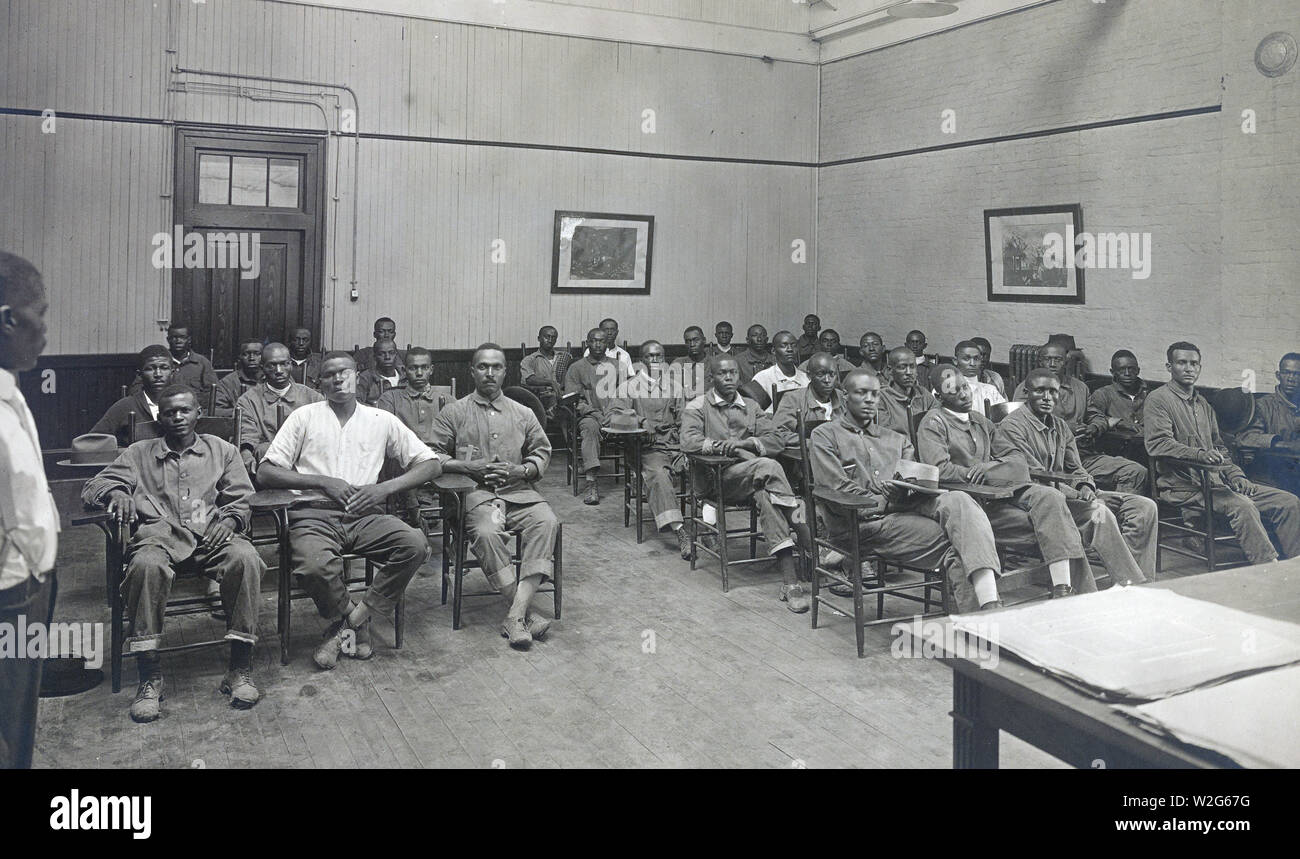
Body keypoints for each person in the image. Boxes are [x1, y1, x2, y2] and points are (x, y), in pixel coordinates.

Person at [82, 385, 266, 721]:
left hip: (211, 537)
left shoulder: (222, 450)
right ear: (160, 417)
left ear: (198, 413)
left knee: (247, 558)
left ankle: (239, 669)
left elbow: (242, 496)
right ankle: (149, 676)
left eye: (184, 410)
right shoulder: (139, 452)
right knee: (144, 565)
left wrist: (231, 517)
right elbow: (93, 485)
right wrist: (117, 492)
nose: (178, 418)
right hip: (159, 539)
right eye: (169, 412)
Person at [257, 352, 443, 669]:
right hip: (312, 513)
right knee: (314, 567)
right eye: (329, 375)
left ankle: (352, 622)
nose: (338, 379)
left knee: (414, 545)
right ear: (319, 383)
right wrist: (322, 482)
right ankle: (355, 622)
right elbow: (265, 473)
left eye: (345, 372)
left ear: (357, 375)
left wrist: (384, 488)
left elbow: (431, 464)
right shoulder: (304, 417)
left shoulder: (380, 419)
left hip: (365, 514)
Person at [809, 369, 1007, 612]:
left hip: (902, 518)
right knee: (963, 544)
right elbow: (835, 487)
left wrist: (905, 491)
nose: (870, 399)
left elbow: (912, 482)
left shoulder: (898, 440)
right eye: (861, 393)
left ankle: (984, 614)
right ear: (845, 396)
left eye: (875, 394)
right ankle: (986, 616)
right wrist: (883, 500)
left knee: (958, 502)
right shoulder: (824, 435)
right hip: (858, 525)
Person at [916, 367, 1102, 597]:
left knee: (1051, 496)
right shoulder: (933, 423)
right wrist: (977, 473)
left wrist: (989, 468)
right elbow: (940, 470)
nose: (964, 395)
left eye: (965, 387)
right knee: (1058, 520)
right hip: (966, 505)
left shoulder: (980, 421)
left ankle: (1062, 588)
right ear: (938, 396)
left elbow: (1016, 458)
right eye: (954, 391)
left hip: (996, 498)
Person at [428, 344, 558, 648]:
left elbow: (542, 452)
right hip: (476, 496)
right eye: (483, 367)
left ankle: (514, 615)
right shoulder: (454, 411)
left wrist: (521, 471)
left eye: (496, 367)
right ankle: (523, 613)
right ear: (472, 371)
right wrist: (465, 466)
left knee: (547, 522)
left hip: (520, 493)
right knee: (486, 533)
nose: (490, 373)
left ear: (505, 371)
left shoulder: (522, 413)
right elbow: (431, 454)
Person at [994, 367, 1157, 583]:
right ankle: (1133, 585)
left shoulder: (1060, 426)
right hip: (1040, 499)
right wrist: (1077, 494)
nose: (1047, 397)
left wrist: (1086, 486)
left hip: (1071, 494)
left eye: (1053, 392)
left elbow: (1076, 468)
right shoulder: (1011, 427)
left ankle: (1134, 579)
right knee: (1100, 513)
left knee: (1144, 507)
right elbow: (1035, 477)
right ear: (1026, 391)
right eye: (1039, 391)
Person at [1145, 342, 1300, 563]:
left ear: (1200, 367)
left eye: (1194, 363)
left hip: (1219, 483)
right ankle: (1268, 567)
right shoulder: (1158, 399)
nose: (1189, 368)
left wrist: (1237, 476)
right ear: (1169, 366)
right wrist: (1199, 454)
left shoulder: (1203, 405)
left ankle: (1296, 565)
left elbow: (1219, 448)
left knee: (1289, 501)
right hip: (1183, 487)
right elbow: (1157, 444)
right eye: (1182, 362)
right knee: (1243, 506)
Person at [680, 355, 808, 612]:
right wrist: (726, 450)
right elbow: (689, 441)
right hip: (715, 481)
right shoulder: (697, 405)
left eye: (734, 373)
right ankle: (809, 543)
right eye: (722, 374)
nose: (729, 378)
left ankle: (790, 581)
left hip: (753, 480)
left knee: (767, 498)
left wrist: (747, 444)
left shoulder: (750, 405)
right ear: (711, 378)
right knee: (770, 466)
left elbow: (776, 438)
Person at [0, 251, 58, 768]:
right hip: (8, 593)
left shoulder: (10, 390)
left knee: (17, 728)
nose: (45, 332)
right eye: (41, 314)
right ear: (9, 319)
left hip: (30, 586)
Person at [1014, 340, 1147, 494]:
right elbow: (1023, 423)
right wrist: (1067, 429)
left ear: (1066, 362)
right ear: (1039, 361)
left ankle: (1117, 515)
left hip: (1082, 456)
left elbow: (1095, 415)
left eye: (1058, 359)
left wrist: (1093, 428)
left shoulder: (1080, 387)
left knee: (1135, 472)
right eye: (1047, 359)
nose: (1052, 364)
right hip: (1044, 460)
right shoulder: (1028, 389)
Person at [629, 341, 691, 558]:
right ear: (641, 361)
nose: (655, 361)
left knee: (704, 469)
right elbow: (613, 416)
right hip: (648, 448)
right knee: (659, 476)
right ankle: (680, 530)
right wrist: (639, 420)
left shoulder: (674, 386)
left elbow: (685, 418)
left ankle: (711, 527)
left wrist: (688, 445)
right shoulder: (629, 387)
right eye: (650, 357)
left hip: (675, 444)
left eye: (659, 357)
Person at [564, 327, 635, 505]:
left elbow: (626, 394)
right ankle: (592, 483)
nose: (597, 344)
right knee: (590, 428)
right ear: (587, 342)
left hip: (615, 413)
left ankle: (635, 478)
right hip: (588, 415)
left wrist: (613, 413)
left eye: (601, 340)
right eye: (593, 340)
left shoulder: (619, 366)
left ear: (608, 343)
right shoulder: (576, 368)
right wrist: (595, 413)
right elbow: (574, 400)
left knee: (636, 425)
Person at [236, 342, 324, 476]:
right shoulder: (248, 400)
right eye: (272, 365)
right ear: (262, 367)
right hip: (267, 469)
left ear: (291, 364)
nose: (278, 370)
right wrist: (246, 455)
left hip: (307, 465)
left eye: (284, 364)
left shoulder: (313, 397)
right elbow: (247, 437)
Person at [1236, 353, 1300, 498]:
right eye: (1286, 373)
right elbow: (1245, 438)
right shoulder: (1263, 405)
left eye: (1297, 374)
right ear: (1278, 375)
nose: (1291, 379)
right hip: (1269, 479)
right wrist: (1284, 445)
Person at [91, 345, 174, 445]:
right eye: (150, 369)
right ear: (139, 375)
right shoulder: (125, 406)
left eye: (164, 368)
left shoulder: (183, 404)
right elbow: (92, 442)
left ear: (172, 372)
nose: (158, 374)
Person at [774, 352, 845, 447]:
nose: (827, 380)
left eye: (832, 374)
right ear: (809, 375)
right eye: (821, 374)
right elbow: (777, 433)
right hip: (810, 455)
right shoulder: (793, 399)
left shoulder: (843, 398)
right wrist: (813, 443)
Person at [876, 346, 935, 437]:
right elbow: (886, 436)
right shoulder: (881, 398)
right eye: (902, 367)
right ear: (890, 370)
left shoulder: (923, 394)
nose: (909, 372)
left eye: (912, 367)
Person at [750, 330, 808, 413]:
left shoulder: (806, 378)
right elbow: (755, 414)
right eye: (784, 345)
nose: (790, 349)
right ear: (773, 351)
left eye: (793, 345)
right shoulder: (761, 379)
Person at [520, 325, 571, 418]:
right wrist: (550, 382)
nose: (550, 340)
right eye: (547, 336)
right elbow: (528, 379)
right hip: (542, 397)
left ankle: (570, 429)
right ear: (539, 338)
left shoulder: (563, 357)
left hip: (563, 395)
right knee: (553, 401)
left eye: (553, 337)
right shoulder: (530, 359)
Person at [161, 324, 219, 401]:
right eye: (174, 337)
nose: (178, 341)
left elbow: (213, 392)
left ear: (189, 339)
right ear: (168, 339)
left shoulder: (202, 363)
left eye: (182, 337)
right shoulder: (161, 362)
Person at [954, 340, 1005, 418]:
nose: (972, 363)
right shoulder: (946, 389)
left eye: (976, 359)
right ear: (955, 361)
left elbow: (1005, 416)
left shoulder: (991, 390)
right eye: (966, 359)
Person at [212, 339, 263, 416]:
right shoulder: (228, 383)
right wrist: (241, 412)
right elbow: (215, 411)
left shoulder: (272, 378)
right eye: (246, 354)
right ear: (239, 357)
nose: (252, 358)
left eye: (257, 354)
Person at [355, 338, 405, 406]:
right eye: (381, 354)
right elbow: (356, 403)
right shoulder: (365, 378)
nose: (387, 357)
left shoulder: (406, 374)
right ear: (375, 357)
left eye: (391, 353)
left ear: (396, 355)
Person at [669, 325, 711, 399]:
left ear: (704, 340)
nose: (692, 344)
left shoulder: (715, 364)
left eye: (696, 340)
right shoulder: (678, 364)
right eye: (688, 341)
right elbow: (673, 391)